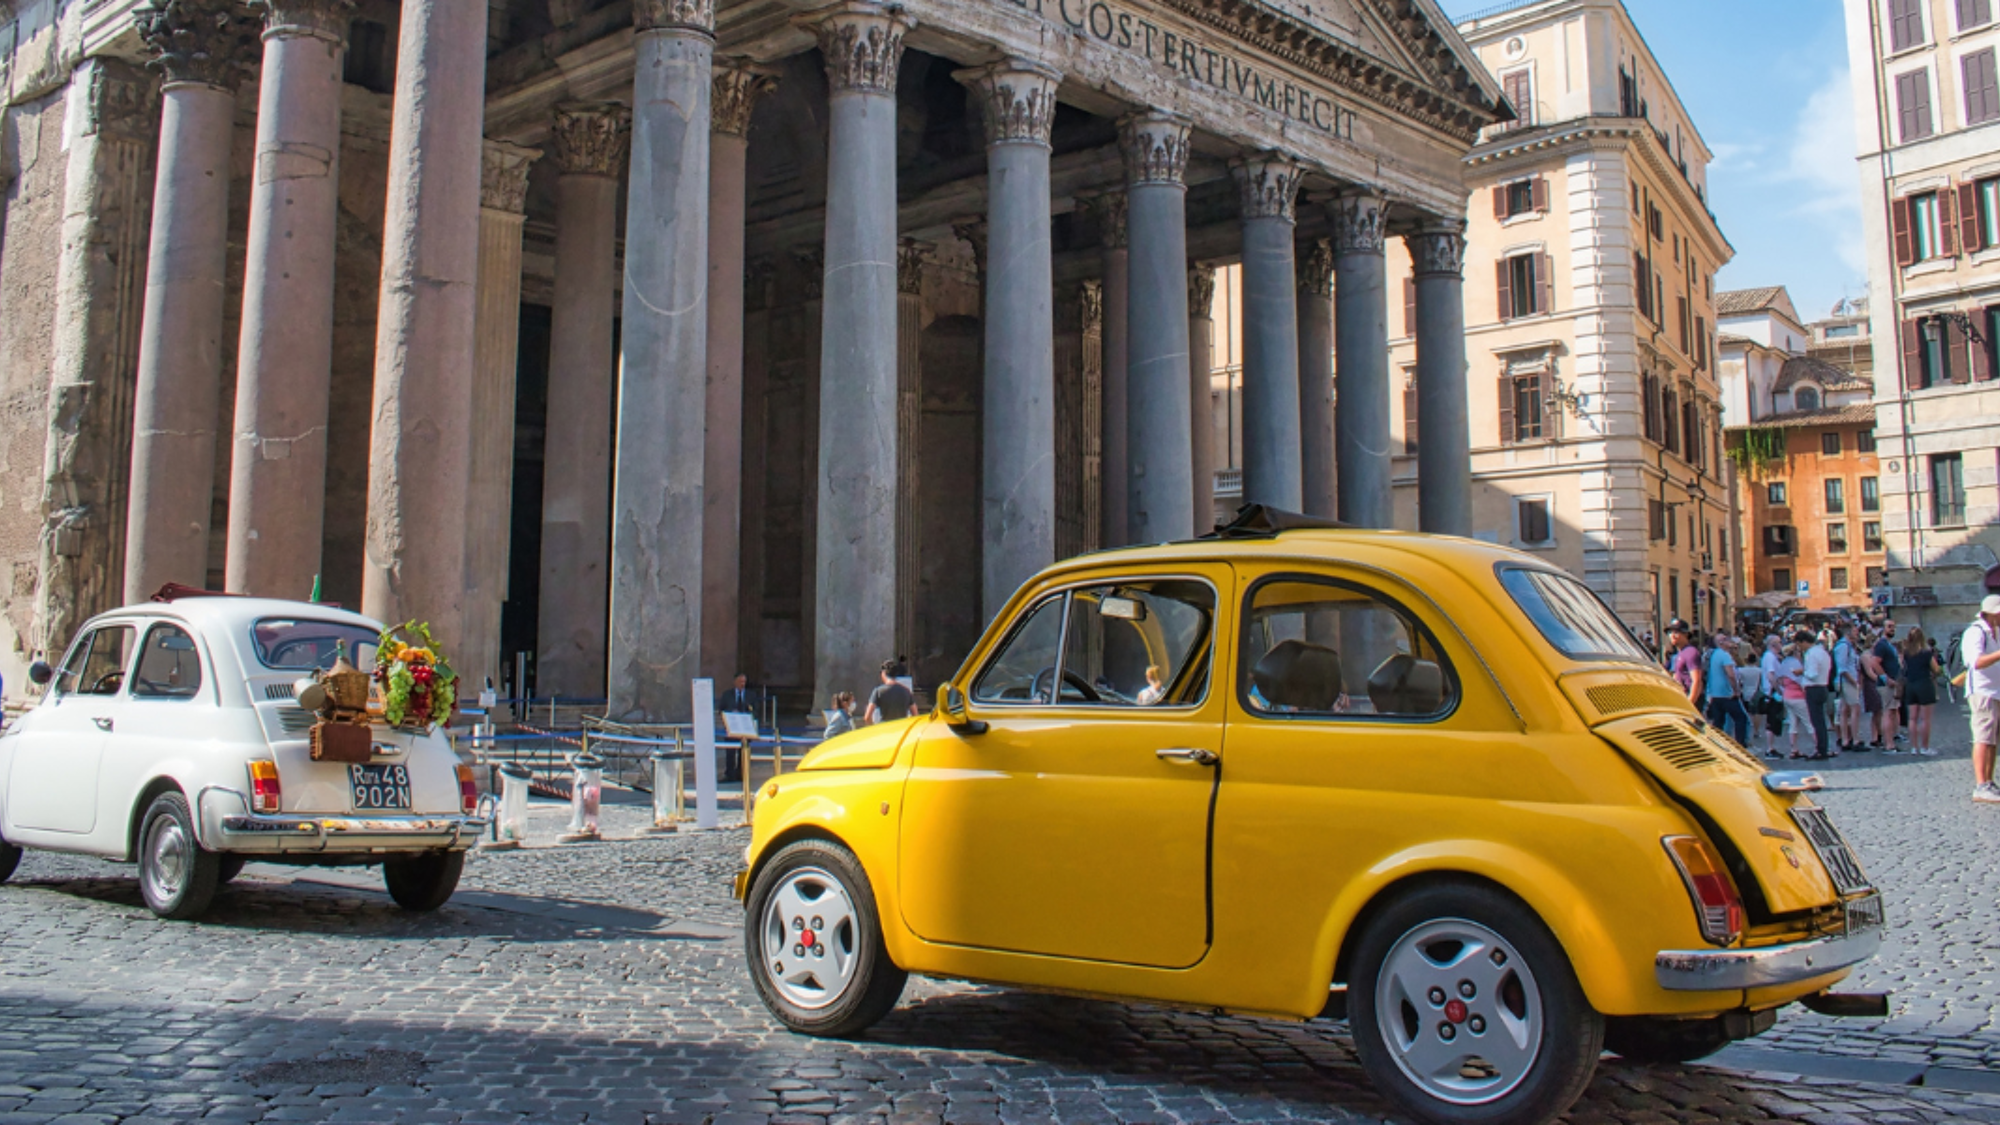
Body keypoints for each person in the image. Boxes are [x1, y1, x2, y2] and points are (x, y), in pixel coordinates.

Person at [1962, 595, 2000, 804]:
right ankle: (1981, 784)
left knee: (1993, 738)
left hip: (1997, 690)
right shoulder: (1975, 632)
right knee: (1983, 736)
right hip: (1982, 691)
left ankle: (1990, 781)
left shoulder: (1996, 631)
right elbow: (1976, 662)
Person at [1703, 634, 1749, 744]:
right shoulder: (1724, 655)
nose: (1730, 641)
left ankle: (1717, 743)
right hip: (1727, 694)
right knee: (1741, 718)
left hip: (1715, 694)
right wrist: (1736, 690)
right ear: (1722, 642)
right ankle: (1740, 744)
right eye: (1726, 639)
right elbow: (1731, 675)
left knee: (1719, 721)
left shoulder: (1713, 654)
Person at [1900, 628, 1939, 757]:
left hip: (1910, 685)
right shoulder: (1927, 653)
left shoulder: (1906, 653)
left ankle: (1914, 747)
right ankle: (1925, 747)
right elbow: (1936, 669)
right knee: (1925, 719)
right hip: (1924, 684)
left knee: (1912, 718)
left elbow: (1903, 667)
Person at [1800, 628, 1835, 759]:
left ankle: (1821, 749)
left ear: (1804, 642)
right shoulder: (1823, 652)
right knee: (1821, 720)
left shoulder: (1811, 654)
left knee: (1817, 721)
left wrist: (1802, 672)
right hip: (1823, 686)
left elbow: (1812, 674)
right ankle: (1823, 747)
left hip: (1814, 688)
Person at [1832, 625, 1863, 751]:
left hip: (1847, 680)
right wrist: (1854, 682)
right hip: (1847, 681)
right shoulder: (1843, 646)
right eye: (1855, 632)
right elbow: (1842, 668)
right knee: (1854, 709)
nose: (1857, 634)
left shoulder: (1848, 646)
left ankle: (1846, 739)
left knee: (1845, 710)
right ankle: (1855, 739)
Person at [864, 660, 917, 725]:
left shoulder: (878, 691)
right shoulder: (906, 691)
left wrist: (874, 730)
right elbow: (915, 715)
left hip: (885, 730)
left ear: (883, 673)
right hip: (901, 729)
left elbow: (867, 717)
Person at [1667, 621, 1701, 701]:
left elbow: (1697, 681)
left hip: (1688, 700)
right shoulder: (1679, 653)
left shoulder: (1691, 652)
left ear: (1685, 634)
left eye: (1676, 632)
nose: (1672, 635)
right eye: (1670, 632)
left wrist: (1690, 703)